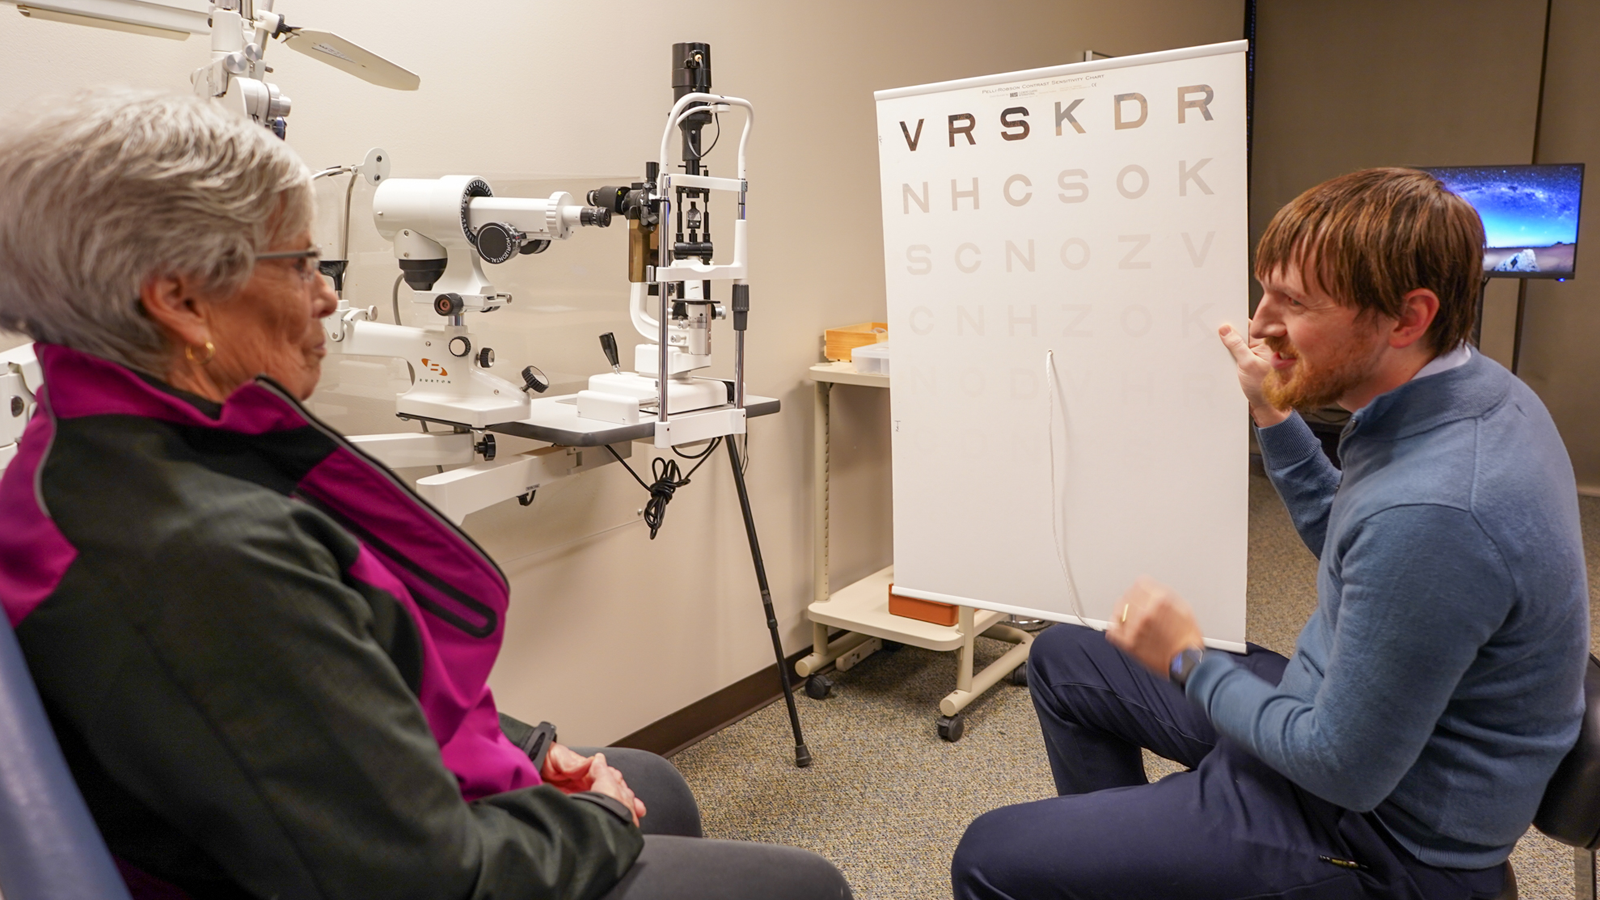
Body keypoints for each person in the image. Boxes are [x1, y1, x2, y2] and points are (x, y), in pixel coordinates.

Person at [0, 90, 850, 900]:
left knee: (657, 781)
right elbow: (422, 880)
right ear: (180, 298)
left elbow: (348, 666)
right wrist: (592, 814)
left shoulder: (117, 440)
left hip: (348, 820)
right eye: (300, 264)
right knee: (801, 885)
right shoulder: (190, 553)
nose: (328, 295)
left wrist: (531, 749)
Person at [952, 168, 1589, 900]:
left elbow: (1340, 765)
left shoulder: (1441, 507)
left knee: (987, 856)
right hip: (1333, 722)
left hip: (1381, 835)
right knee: (1066, 659)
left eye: (1294, 303)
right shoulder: (1464, 394)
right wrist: (1272, 411)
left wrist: (1191, 662)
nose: (1259, 325)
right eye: (1265, 291)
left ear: (1408, 318)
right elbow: (1353, 544)